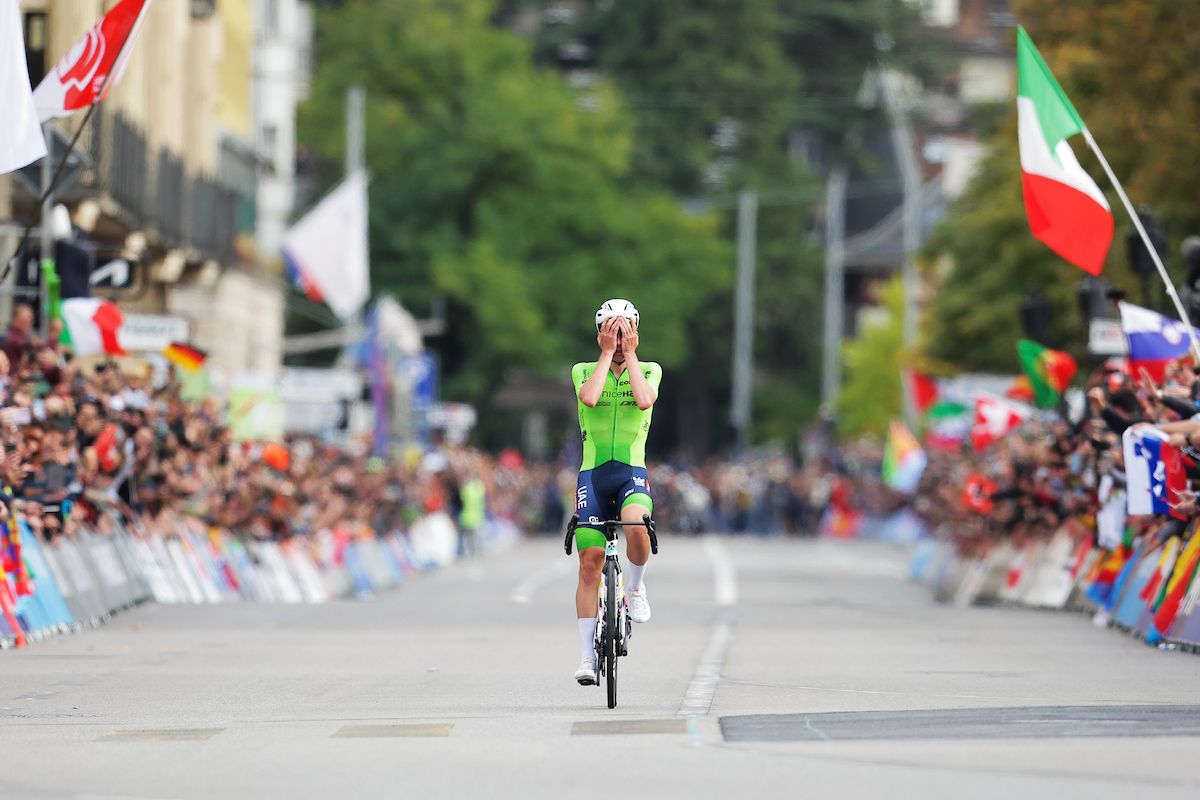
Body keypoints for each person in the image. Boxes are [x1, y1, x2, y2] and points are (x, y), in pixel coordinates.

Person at [570, 299, 662, 685]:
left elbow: (644, 400)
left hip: (630, 472)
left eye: (625, 331)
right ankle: (588, 658)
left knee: (636, 524)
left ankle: (636, 587)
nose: (620, 338)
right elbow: (589, 397)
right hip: (593, 474)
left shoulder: (651, 369)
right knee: (589, 563)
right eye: (613, 330)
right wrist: (607, 353)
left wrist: (632, 354)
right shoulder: (584, 370)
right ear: (600, 333)